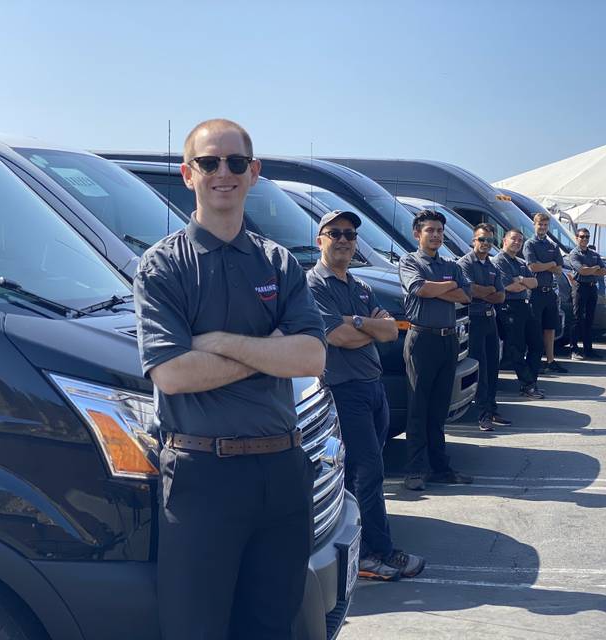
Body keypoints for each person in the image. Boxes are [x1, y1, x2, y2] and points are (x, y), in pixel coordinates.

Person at [133, 119, 327, 640]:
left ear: (254, 172)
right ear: (187, 173)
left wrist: (217, 342)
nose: (224, 173)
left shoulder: (279, 262)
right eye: (209, 162)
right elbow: (173, 373)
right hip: (202, 476)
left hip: (283, 473)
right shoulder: (162, 267)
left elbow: (311, 357)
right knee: (195, 630)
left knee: (272, 628)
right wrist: (270, 350)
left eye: (236, 162)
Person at [306, 210, 426, 581]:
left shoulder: (359, 286)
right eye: (335, 233)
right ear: (320, 240)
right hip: (344, 391)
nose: (344, 240)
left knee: (367, 473)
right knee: (367, 472)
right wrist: (366, 327)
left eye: (350, 235)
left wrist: (356, 322)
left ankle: (361, 548)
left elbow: (392, 331)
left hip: (374, 389)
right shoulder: (313, 285)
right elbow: (335, 337)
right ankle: (376, 553)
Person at [398, 209, 473, 491]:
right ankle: (415, 470)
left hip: (448, 340)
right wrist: (449, 287)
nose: (436, 235)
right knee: (419, 407)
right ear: (417, 234)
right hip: (422, 340)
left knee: (439, 408)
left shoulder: (451, 265)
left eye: (440, 231)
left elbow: (466, 295)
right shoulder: (409, 261)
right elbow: (419, 289)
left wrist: (442, 287)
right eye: (430, 230)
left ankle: (440, 468)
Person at [457, 223, 509, 431]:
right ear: (473, 241)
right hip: (474, 320)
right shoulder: (465, 264)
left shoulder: (492, 266)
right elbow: (471, 291)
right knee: (480, 366)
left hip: (490, 319)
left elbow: (501, 295)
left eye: (489, 240)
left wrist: (485, 292)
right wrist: (488, 291)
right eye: (481, 239)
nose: (485, 244)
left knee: (493, 366)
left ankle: (492, 408)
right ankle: (482, 414)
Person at [492, 229, 546, 400]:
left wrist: (520, 280)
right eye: (514, 239)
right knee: (516, 348)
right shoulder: (498, 261)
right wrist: (523, 283)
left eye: (520, 240)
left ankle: (531, 383)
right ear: (504, 240)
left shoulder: (521, 262)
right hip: (509, 307)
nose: (517, 242)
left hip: (524, 306)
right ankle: (527, 385)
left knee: (537, 345)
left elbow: (535, 282)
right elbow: (509, 286)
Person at [525, 211, 567, 374]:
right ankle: (534, 360)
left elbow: (559, 269)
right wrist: (550, 263)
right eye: (540, 224)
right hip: (535, 292)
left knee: (550, 328)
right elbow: (532, 266)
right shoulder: (530, 244)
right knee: (535, 328)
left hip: (549, 292)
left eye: (545, 225)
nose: (542, 227)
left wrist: (546, 265)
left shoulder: (552, 245)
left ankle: (550, 360)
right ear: (534, 225)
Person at [568, 227, 606, 360]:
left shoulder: (594, 254)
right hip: (580, 287)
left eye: (587, 237)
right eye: (582, 236)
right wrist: (593, 269)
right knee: (577, 318)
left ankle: (588, 350)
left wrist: (590, 269)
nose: (584, 239)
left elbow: (603, 271)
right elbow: (582, 271)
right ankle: (574, 349)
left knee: (590, 319)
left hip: (592, 288)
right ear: (576, 238)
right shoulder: (574, 254)